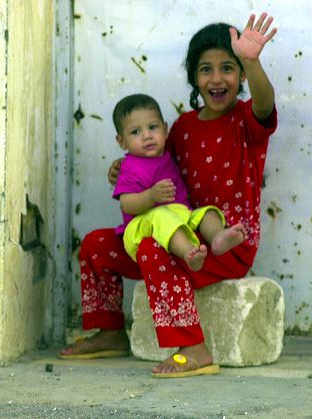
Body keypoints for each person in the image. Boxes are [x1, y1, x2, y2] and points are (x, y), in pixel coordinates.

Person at [60, 12, 278, 379]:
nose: (217, 78)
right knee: (96, 245)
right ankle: (110, 331)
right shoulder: (182, 127)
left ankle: (193, 346)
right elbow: (154, 165)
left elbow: (265, 102)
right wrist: (123, 169)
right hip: (178, 239)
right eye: (206, 69)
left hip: (226, 247)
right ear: (194, 77)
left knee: (151, 249)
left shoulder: (246, 121)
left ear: (240, 76)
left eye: (229, 67)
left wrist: (252, 61)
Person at [111, 93, 246, 273]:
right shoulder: (129, 166)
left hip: (179, 214)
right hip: (140, 225)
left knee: (206, 212)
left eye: (153, 127)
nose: (147, 136)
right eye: (135, 132)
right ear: (122, 141)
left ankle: (217, 238)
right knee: (162, 217)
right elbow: (127, 204)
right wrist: (150, 196)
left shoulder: (165, 154)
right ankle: (189, 253)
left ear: (165, 130)